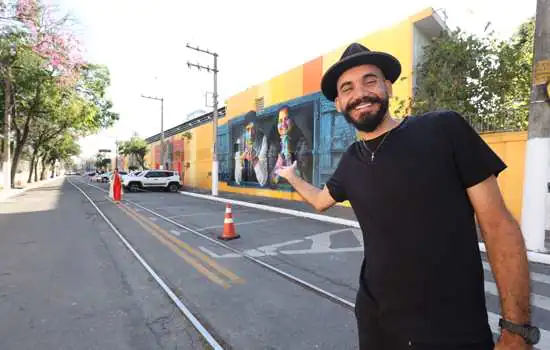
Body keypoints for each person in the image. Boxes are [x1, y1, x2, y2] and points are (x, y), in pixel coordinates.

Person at [278, 43, 538, 350]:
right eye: (347, 87)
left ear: (388, 86)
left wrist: (516, 329)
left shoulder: (443, 130)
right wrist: (291, 176)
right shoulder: (350, 160)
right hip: (377, 327)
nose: (359, 93)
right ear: (338, 103)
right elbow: (321, 200)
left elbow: (499, 226)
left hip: (453, 332)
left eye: (370, 80)